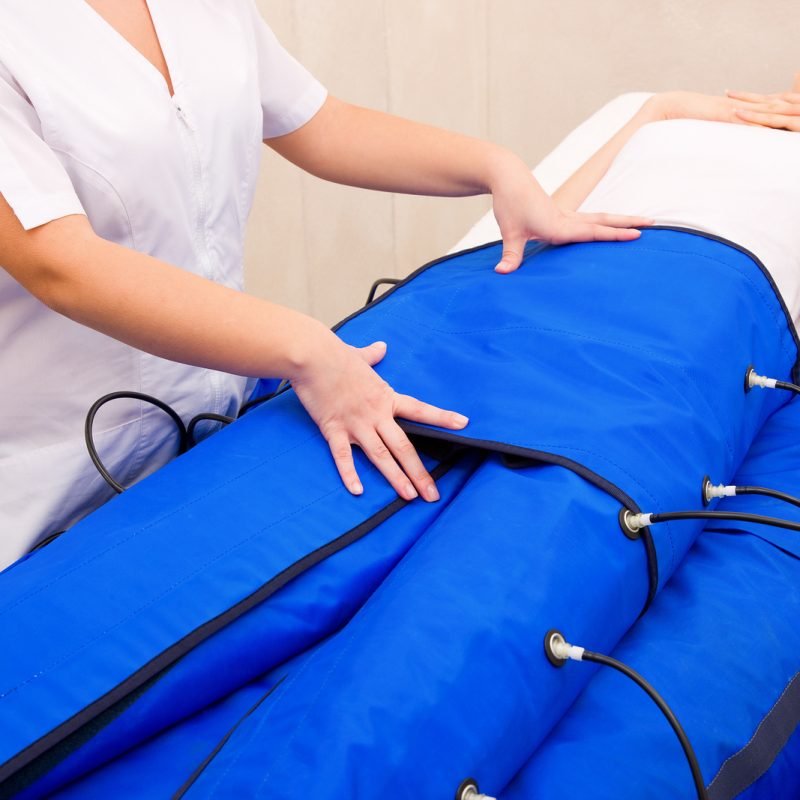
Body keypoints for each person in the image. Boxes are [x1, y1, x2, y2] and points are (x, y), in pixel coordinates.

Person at [0, 0, 646, 569]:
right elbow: (61, 264)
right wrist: (304, 350)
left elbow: (320, 124)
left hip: (208, 430)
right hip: (43, 472)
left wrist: (498, 169)